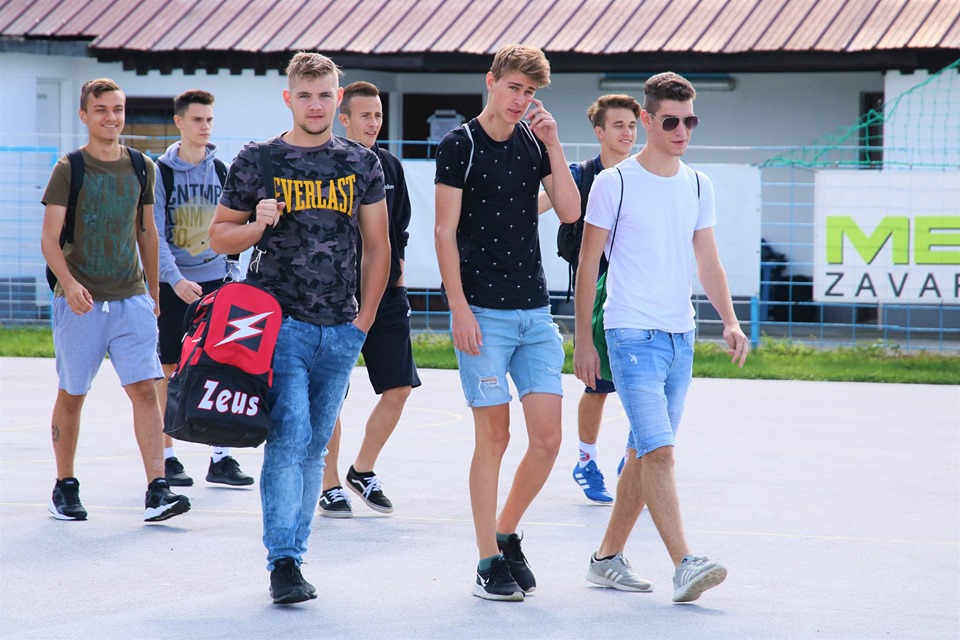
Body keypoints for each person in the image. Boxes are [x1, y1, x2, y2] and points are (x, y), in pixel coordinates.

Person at [209, 52, 390, 605]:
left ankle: (295, 555)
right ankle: (283, 561)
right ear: (289, 98)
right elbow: (218, 236)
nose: (316, 105)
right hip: (278, 324)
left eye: (325, 95)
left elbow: (378, 245)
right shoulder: (258, 159)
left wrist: (363, 321)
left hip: (340, 328)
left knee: (314, 446)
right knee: (289, 439)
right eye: (305, 95)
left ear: (339, 98)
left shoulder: (360, 162)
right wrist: (256, 224)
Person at [573, 72, 749, 603]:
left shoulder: (698, 185)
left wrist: (730, 319)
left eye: (690, 121)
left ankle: (606, 559)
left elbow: (708, 260)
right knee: (661, 452)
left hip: (681, 336)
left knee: (643, 450)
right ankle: (684, 563)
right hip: (629, 334)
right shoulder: (615, 183)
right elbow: (587, 265)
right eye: (671, 121)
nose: (682, 131)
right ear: (647, 120)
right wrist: (583, 340)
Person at [434, 43, 580, 601]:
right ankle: (486, 562)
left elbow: (570, 211)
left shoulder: (534, 141)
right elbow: (444, 231)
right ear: (491, 81)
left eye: (531, 92)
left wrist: (554, 144)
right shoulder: (460, 144)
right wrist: (458, 308)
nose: (521, 100)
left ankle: (506, 532)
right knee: (494, 437)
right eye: (514, 87)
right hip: (482, 314)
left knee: (548, 440)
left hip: (534, 313)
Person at [40, 78, 191, 523]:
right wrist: (69, 284)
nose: (111, 118)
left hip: (132, 300)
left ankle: (157, 490)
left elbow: (148, 232)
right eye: (101, 110)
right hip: (81, 304)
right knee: (73, 394)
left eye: (118, 109)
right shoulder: (69, 168)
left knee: (145, 391)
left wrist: (153, 293)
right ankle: (65, 486)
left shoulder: (142, 166)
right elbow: (49, 239)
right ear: (84, 115)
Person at [318, 81, 421, 518]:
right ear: (344, 119)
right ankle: (328, 485)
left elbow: (399, 231)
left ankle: (362, 470)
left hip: (386, 294)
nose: (374, 122)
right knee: (330, 394)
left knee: (399, 387)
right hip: (335, 298)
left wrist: (398, 283)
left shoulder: (391, 166)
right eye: (366, 115)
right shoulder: (327, 164)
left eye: (378, 115)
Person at [539, 94, 641, 505]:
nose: (627, 133)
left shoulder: (645, 174)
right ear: (599, 132)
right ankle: (586, 460)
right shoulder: (582, 174)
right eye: (618, 125)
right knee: (598, 386)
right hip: (597, 293)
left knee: (645, 383)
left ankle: (634, 457)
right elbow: (535, 206)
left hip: (637, 293)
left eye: (632, 125)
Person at [154, 89, 253, 488]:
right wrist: (174, 279)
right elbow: (154, 235)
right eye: (197, 119)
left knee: (220, 365)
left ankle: (220, 456)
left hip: (215, 281)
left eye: (209, 119)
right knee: (168, 369)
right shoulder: (160, 173)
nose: (205, 126)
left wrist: (232, 274)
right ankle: (166, 457)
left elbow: (235, 225)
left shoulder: (222, 170)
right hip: (174, 282)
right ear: (179, 122)